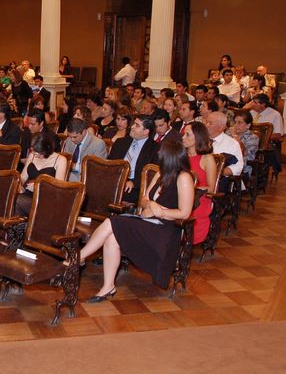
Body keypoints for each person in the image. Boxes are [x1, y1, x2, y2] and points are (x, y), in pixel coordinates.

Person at [80, 140, 194, 300]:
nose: (158, 154)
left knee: (114, 222)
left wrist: (160, 212)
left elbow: (185, 213)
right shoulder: (160, 173)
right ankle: (108, 286)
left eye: (161, 153)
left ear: (170, 156)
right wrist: (152, 204)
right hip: (148, 222)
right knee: (112, 238)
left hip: (165, 229)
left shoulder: (184, 178)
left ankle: (79, 256)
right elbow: (144, 200)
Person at [108, 114, 159, 203]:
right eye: (134, 124)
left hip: (135, 186)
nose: (132, 127)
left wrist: (134, 183)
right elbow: (109, 164)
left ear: (146, 131)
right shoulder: (120, 142)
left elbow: (152, 174)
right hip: (115, 180)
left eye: (137, 125)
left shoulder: (155, 149)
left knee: (123, 194)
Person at [15, 133, 68, 216]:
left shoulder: (60, 160)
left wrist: (40, 187)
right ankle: (21, 223)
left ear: (47, 150)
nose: (35, 154)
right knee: (11, 197)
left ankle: (20, 223)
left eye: (38, 152)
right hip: (28, 194)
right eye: (34, 151)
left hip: (46, 198)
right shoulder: (32, 155)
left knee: (16, 200)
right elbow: (23, 177)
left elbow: (59, 188)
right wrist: (19, 186)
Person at [182, 122, 217, 244]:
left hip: (198, 199)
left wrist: (190, 190)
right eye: (183, 134)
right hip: (180, 196)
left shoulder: (207, 159)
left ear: (198, 137)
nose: (183, 137)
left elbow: (212, 188)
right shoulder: (181, 156)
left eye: (187, 134)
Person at [64, 118, 108, 182]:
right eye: (70, 136)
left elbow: (98, 168)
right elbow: (66, 159)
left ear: (84, 132)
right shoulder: (69, 140)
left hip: (87, 177)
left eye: (75, 137)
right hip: (69, 173)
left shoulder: (98, 144)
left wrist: (75, 166)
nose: (72, 140)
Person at [205, 111, 244, 178]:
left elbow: (238, 167)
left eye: (210, 123)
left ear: (221, 127)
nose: (206, 125)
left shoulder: (232, 144)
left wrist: (217, 172)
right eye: (206, 122)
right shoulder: (198, 139)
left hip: (220, 178)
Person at [228, 111, 258, 178]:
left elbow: (244, 153)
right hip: (226, 165)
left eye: (240, 122)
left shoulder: (253, 138)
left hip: (242, 169)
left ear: (248, 125)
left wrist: (234, 136)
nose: (236, 125)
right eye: (235, 122)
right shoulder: (228, 133)